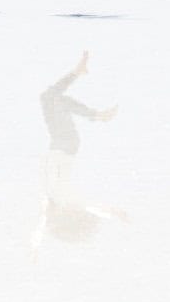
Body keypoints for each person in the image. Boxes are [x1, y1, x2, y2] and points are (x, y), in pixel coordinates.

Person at [31, 51, 126, 256]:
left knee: (50, 98)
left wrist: (34, 248)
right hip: (65, 146)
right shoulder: (67, 201)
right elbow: (92, 208)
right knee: (50, 98)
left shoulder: (50, 201)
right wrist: (114, 213)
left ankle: (79, 77)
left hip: (59, 145)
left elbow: (41, 225)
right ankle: (98, 114)